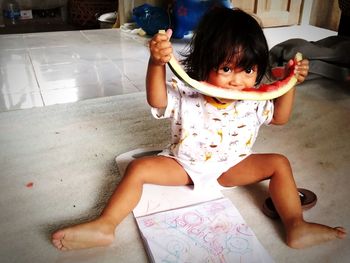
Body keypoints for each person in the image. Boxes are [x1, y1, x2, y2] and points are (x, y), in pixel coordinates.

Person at [52, 7, 346, 251]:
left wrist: (290, 83)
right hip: (183, 164)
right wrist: (157, 63)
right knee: (138, 170)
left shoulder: (250, 101)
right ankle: (106, 224)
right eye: (226, 69)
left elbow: (280, 118)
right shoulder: (186, 93)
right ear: (204, 64)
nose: (237, 81)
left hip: (233, 165)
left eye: (248, 70)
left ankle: (295, 225)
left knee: (279, 163)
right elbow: (156, 99)